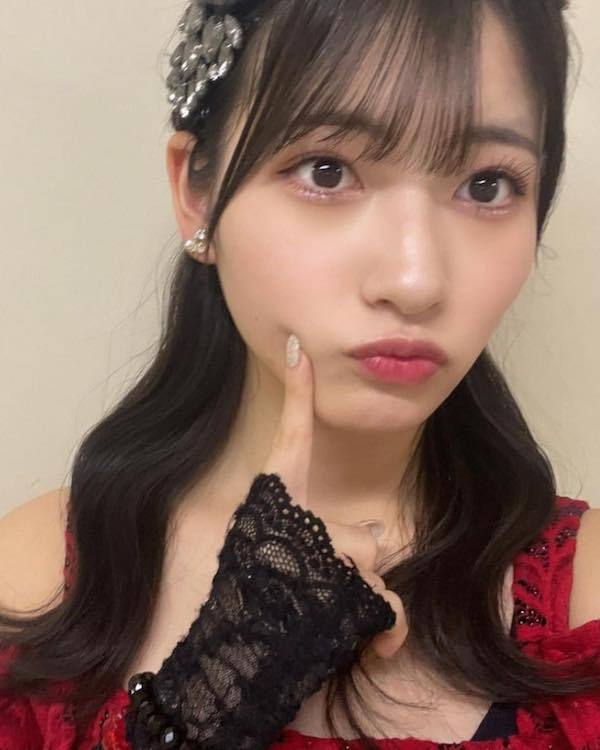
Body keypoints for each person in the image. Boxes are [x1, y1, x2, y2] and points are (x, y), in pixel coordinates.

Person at [1, 0, 599, 748]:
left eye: (487, 186)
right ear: (196, 193)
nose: (415, 280)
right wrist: (209, 698)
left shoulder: (583, 597)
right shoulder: (40, 577)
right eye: (327, 170)